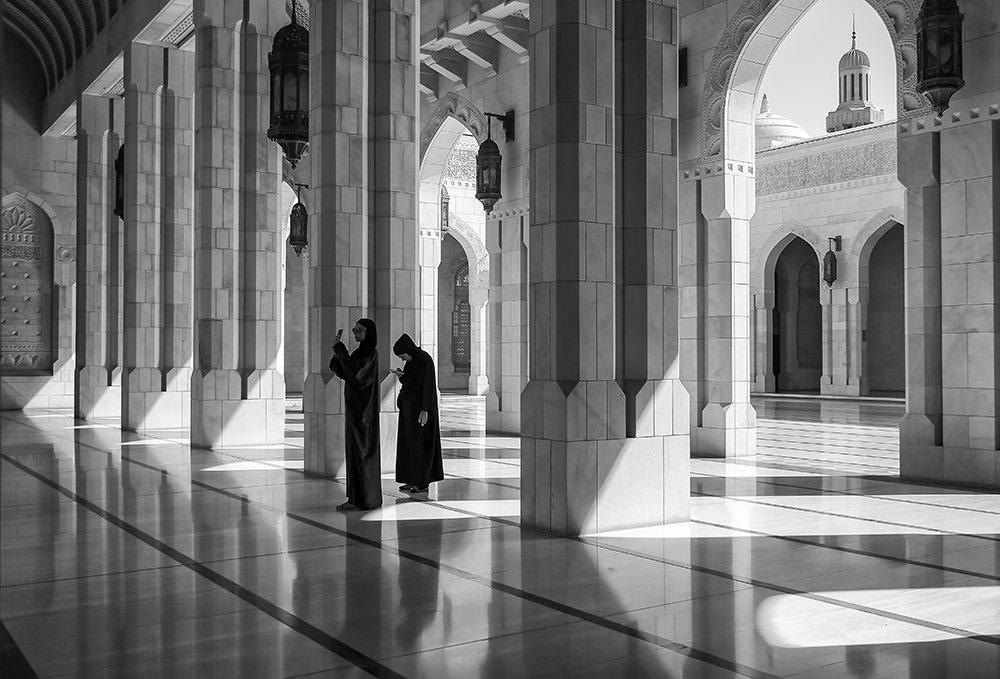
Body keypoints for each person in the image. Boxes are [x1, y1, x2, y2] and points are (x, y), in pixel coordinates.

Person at [329, 319, 382, 510]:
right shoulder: (361, 352)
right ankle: (355, 498)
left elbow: (355, 372)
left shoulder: (370, 353)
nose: (356, 333)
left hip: (364, 414)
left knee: (363, 453)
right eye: (354, 330)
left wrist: (341, 350)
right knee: (354, 453)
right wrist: (338, 352)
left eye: (359, 330)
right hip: (355, 411)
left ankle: (365, 500)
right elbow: (344, 370)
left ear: (369, 332)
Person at [391, 333, 444, 494]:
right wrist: (402, 376)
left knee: (420, 447)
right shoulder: (412, 362)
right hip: (408, 411)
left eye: (403, 355)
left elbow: (427, 386)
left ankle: (422, 482)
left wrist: (424, 409)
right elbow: (412, 382)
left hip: (421, 412)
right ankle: (411, 479)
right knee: (409, 446)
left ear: (408, 349)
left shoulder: (424, 360)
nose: (403, 359)